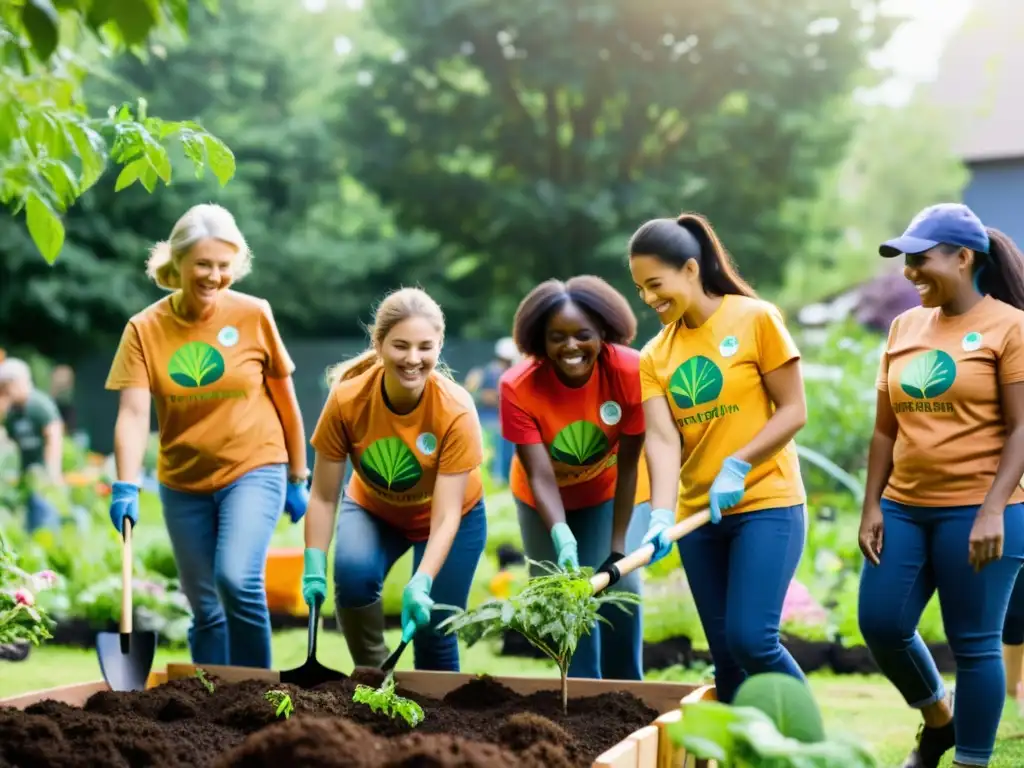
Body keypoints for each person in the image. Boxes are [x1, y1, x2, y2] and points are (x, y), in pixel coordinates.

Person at [104, 203, 309, 670]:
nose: (215, 276)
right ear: (177, 263)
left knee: (237, 580)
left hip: (254, 466)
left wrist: (298, 475)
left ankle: (260, 693)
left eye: (224, 266)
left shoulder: (254, 314)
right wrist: (125, 484)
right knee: (205, 608)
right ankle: (210, 702)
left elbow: (286, 401)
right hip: (183, 480)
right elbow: (134, 413)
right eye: (203, 264)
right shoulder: (144, 328)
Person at [857, 203, 1024, 768]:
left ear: (963, 257)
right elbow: (884, 430)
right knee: (880, 622)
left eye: (920, 260)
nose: (910, 272)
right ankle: (938, 718)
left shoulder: (1010, 326)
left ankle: (969, 760)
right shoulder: (905, 327)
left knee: (974, 644)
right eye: (905, 261)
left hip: (980, 507)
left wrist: (994, 509)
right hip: (904, 507)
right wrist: (871, 507)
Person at [628, 212, 809, 704]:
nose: (648, 298)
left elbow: (794, 410)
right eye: (640, 288)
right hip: (699, 517)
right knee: (726, 659)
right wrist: (661, 512)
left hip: (765, 501)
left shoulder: (755, 318)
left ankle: (816, 751)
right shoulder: (654, 355)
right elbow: (663, 442)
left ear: (690, 269)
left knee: (752, 640)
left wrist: (740, 463)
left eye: (655, 284)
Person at [300, 287, 486, 671]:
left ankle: (437, 722)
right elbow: (321, 496)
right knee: (352, 579)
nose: (413, 359)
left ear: (439, 345)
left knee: (434, 627)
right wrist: (314, 561)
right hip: (374, 509)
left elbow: (447, 515)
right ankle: (375, 683)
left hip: (454, 517)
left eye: (425, 347)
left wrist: (422, 581)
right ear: (379, 342)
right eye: (400, 345)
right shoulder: (348, 399)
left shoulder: (454, 409)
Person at [499, 276, 652, 681]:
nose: (570, 347)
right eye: (557, 337)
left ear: (603, 332)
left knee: (622, 590)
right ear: (540, 341)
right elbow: (540, 475)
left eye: (582, 335)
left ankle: (628, 695)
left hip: (609, 491)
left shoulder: (630, 371)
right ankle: (582, 694)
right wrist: (561, 534)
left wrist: (618, 547)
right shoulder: (518, 386)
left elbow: (630, 465)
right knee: (565, 600)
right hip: (543, 500)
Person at [0, 357, 64, 532]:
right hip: (27, 476)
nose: (6, 391)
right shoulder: (12, 412)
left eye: (7, 386)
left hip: (43, 474)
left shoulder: (38, 405)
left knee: (45, 519)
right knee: (31, 523)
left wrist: (52, 471)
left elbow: (54, 437)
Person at [465, 338, 518, 484]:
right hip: (487, 420)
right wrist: (486, 396)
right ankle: (498, 476)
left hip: (501, 420)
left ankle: (503, 476)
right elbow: (470, 394)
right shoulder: (482, 373)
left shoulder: (509, 375)